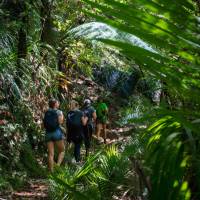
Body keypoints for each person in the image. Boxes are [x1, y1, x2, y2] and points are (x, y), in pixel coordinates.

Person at [43, 98, 65, 172]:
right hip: (56, 132)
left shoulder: (47, 112)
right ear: (55, 104)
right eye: (58, 103)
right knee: (62, 151)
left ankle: (51, 171)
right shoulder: (59, 112)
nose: (58, 104)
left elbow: (44, 124)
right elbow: (60, 122)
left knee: (50, 154)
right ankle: (57, 166)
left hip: (48, 133)